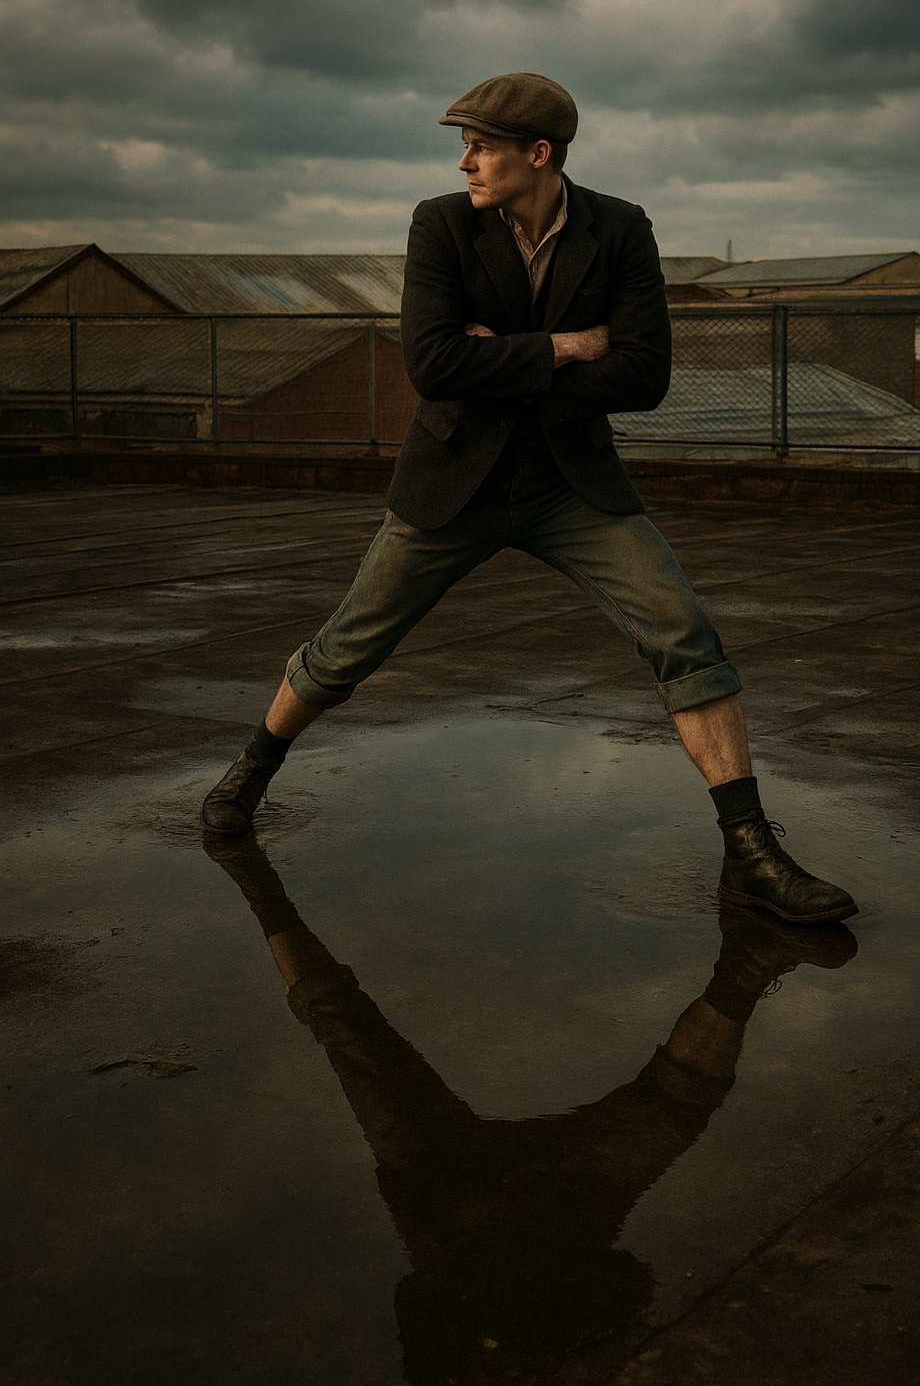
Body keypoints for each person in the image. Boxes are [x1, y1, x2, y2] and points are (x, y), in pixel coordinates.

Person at [201, 71, 857, 925]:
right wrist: (563, 348)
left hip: (568, 482)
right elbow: (432, 365)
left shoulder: (620, 228)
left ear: (537, 154)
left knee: (687, 639)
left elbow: (645, 374)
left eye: (481, 145)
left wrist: (504, 359)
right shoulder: (440, 223)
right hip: (451, 482)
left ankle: (751, 856)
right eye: (464, 146)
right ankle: (249, 773)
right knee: (347, 646)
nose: (465, 160)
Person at [204, 833, 858, 1383]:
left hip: (451, 1200)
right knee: (671, 1108)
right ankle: (741, 976)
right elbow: (632, 1287)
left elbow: (619, 1288)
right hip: (529, 1206)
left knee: (346, 1029)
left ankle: (257, 886)